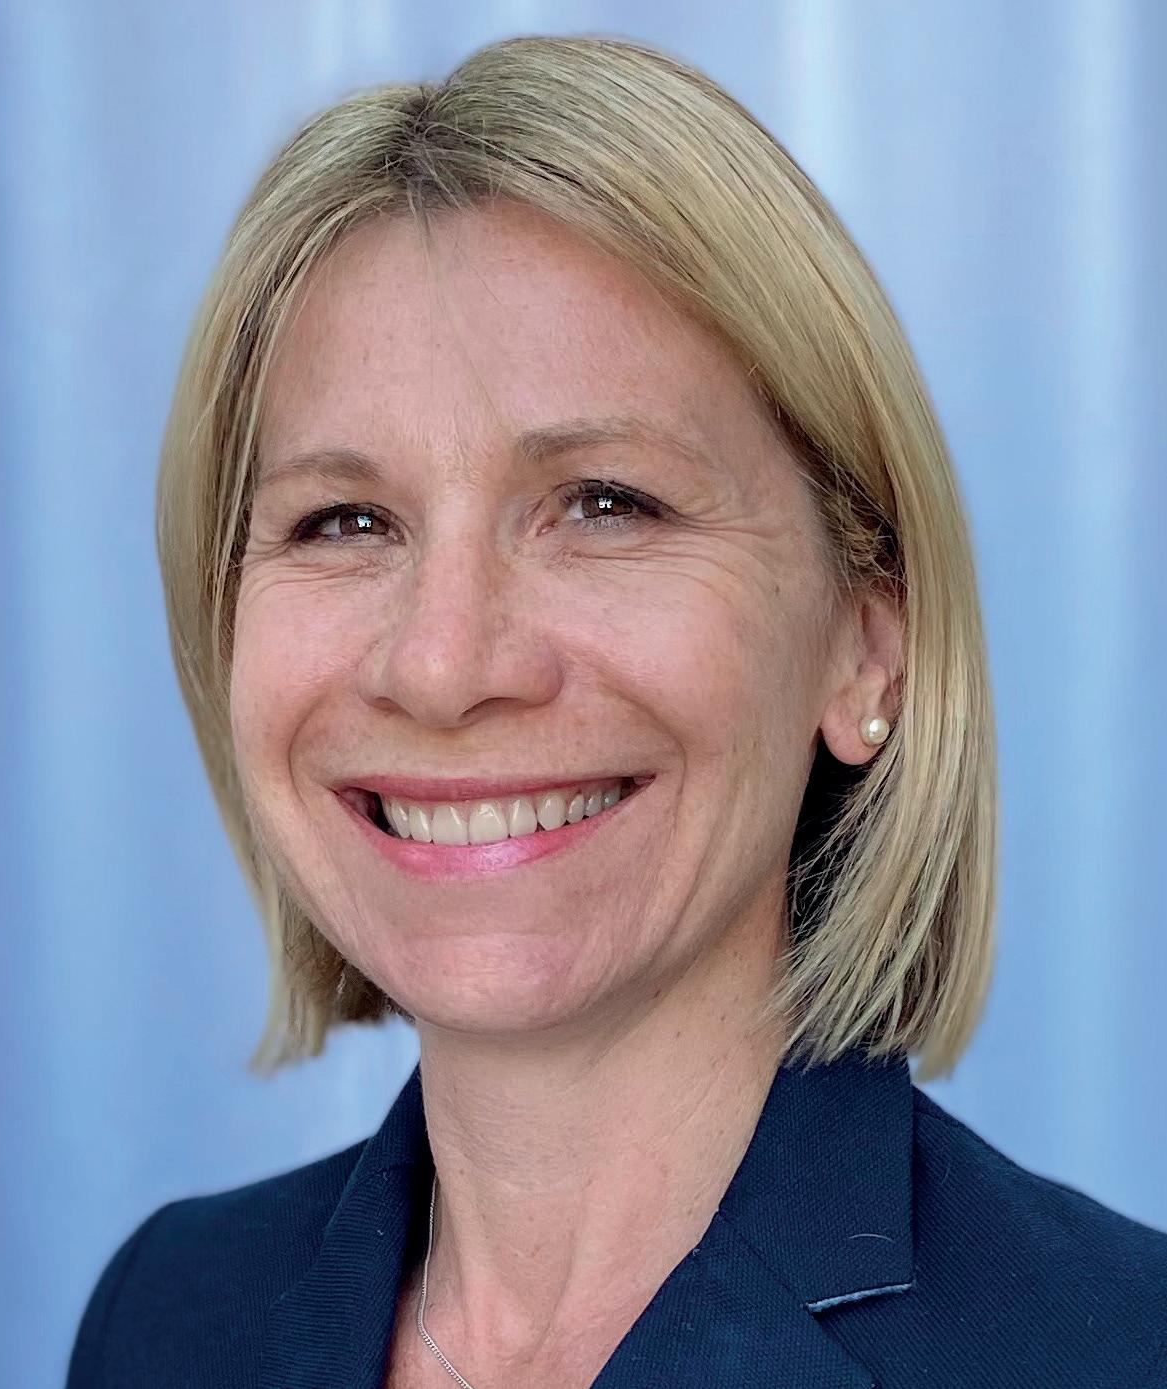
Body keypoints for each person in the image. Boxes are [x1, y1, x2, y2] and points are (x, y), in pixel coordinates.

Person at [65, 32, 1166, 1389]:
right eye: (344, 519)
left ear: (865, 646)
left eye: (604, 504)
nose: (444, 664)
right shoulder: (168, 1317)